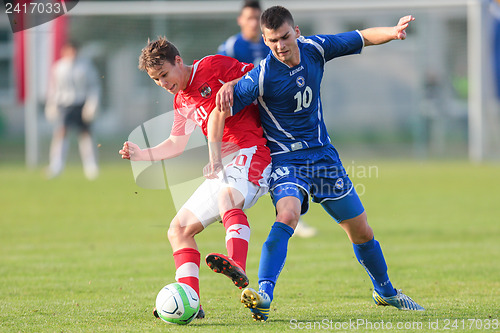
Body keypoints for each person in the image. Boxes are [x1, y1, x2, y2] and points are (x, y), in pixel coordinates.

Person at [216, 6, 424, 321]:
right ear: (265, 39)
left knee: (362, 232)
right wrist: (223, 94)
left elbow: (362, 37)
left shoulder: (315, 49)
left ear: (296, 32)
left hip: (324, 157)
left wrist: (393, 33)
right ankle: (264, 295)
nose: (280, 46)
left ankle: (385, 292)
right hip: (287, 161)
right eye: (272, 41)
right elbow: (219, 110)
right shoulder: (260, 76)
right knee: (287, 215)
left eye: (285, 37)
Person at [119, 37, 272, 319]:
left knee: (228, 196)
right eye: (156, 80)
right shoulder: (181, 100)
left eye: (164, 74)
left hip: (252, 152)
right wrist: (143, 154)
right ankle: (191, 303)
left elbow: (259, 75)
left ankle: (236, 263)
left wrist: (233, 84)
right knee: (178, 230)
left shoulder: (214, 65)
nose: (162, 83)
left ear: (178, 61)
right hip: (221, 166)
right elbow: (176, 143)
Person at [219, 0, 317, 238]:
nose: (253, 22)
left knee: (284, 161)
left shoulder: (275, 43)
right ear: (240, 21)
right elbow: (221, 79)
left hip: (273, 113)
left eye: (256, 18)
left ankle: (292, 213)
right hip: (245, 116)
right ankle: (234, 212)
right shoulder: (231, 47)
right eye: (249, 18)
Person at [45, 41, 100, 180]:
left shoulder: (85, 66)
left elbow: (94, 86)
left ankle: (90, 166)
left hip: (81, 103)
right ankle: (56, 165)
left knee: (85, 134)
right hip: (65, 104)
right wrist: (51, 104)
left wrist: (92, 104)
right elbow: (53, 88)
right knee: (61, 132)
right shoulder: (58, 67)